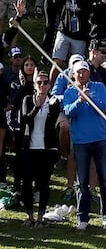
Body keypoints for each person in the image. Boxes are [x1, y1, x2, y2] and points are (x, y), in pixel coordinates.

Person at [63, 58, 106, 230]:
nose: (82, 74)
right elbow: (68, 112)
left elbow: (103, 106)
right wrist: (79, 101)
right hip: (80, 142)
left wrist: (89, 99)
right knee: (82, 182)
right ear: (74, 74)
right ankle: (82, 218)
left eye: (84, 71)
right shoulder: (70, 91)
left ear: (89, 72)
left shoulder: (99, 87)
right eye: (79, 72)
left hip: (100, 140)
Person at [18, 70, 61, 226]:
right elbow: (25, 119)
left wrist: (47, 106)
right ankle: (29, 215)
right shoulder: (28, 99)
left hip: (46, 148)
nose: (42, 85)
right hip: (29, 147)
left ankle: (40, 216)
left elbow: (52, 123)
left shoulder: (53, 102)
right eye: (39, 82)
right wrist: (37, 107)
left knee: (43, 184)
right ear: (35, 85)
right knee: (27, 183)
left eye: (45, 82)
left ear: (49, 85)